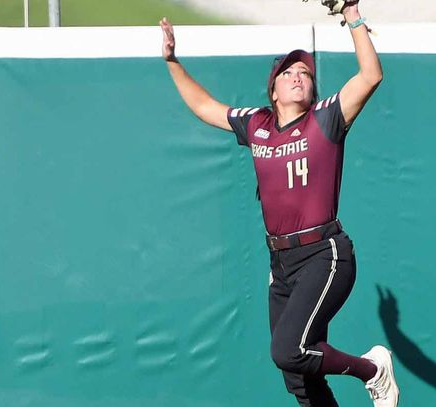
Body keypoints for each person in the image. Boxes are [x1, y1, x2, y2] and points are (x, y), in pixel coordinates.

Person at [160, 1, 399, 406]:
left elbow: (371, 75)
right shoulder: (258, 125)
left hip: (324, 254)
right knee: (297, 376)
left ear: (312, 89)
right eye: (287, 72)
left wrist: (352, 14)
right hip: (282, 265)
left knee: (287, 349)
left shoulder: (325, 118)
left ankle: (373, 370)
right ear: (273, 90)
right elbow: (204, 106)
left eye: (305, 72)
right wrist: (172, 60)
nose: (297, 76)